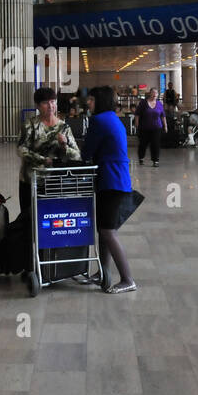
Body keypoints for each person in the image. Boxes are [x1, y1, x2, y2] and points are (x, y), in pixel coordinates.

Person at [82, 86, 137, 294]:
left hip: (111, 181)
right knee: (103, 230)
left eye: (91, 99)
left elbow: (87, 152)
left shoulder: (99, 120)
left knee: (108, 231)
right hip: (116, 180)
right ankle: (102, 272)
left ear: (100, 101)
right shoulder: (113, 118)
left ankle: (127, 279)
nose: (88, 103)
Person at [16, 87, 82, 224]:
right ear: (38, 106)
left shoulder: (64, 128)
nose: (51, 106)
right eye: (46, 103)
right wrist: (43, 160)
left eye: (53, 102)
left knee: (52, 221)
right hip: (30, 181)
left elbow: (77, 155)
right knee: (28, 220)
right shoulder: (29, 125)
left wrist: (64, 146)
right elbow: (21, 149)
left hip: (55, 183)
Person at [134, 87, 166, 167]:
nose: (155, 94)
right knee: (143, 144)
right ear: (150, 93)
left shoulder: (159, 104)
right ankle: (141, 157)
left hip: (157, 127)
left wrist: (165, 125)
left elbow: (163, 116)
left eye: (156, 93)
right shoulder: (143, 103)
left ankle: (156, 160)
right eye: (153, 92)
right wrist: (137, 124)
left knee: (155, 144)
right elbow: (137, 114)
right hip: (144, 127)